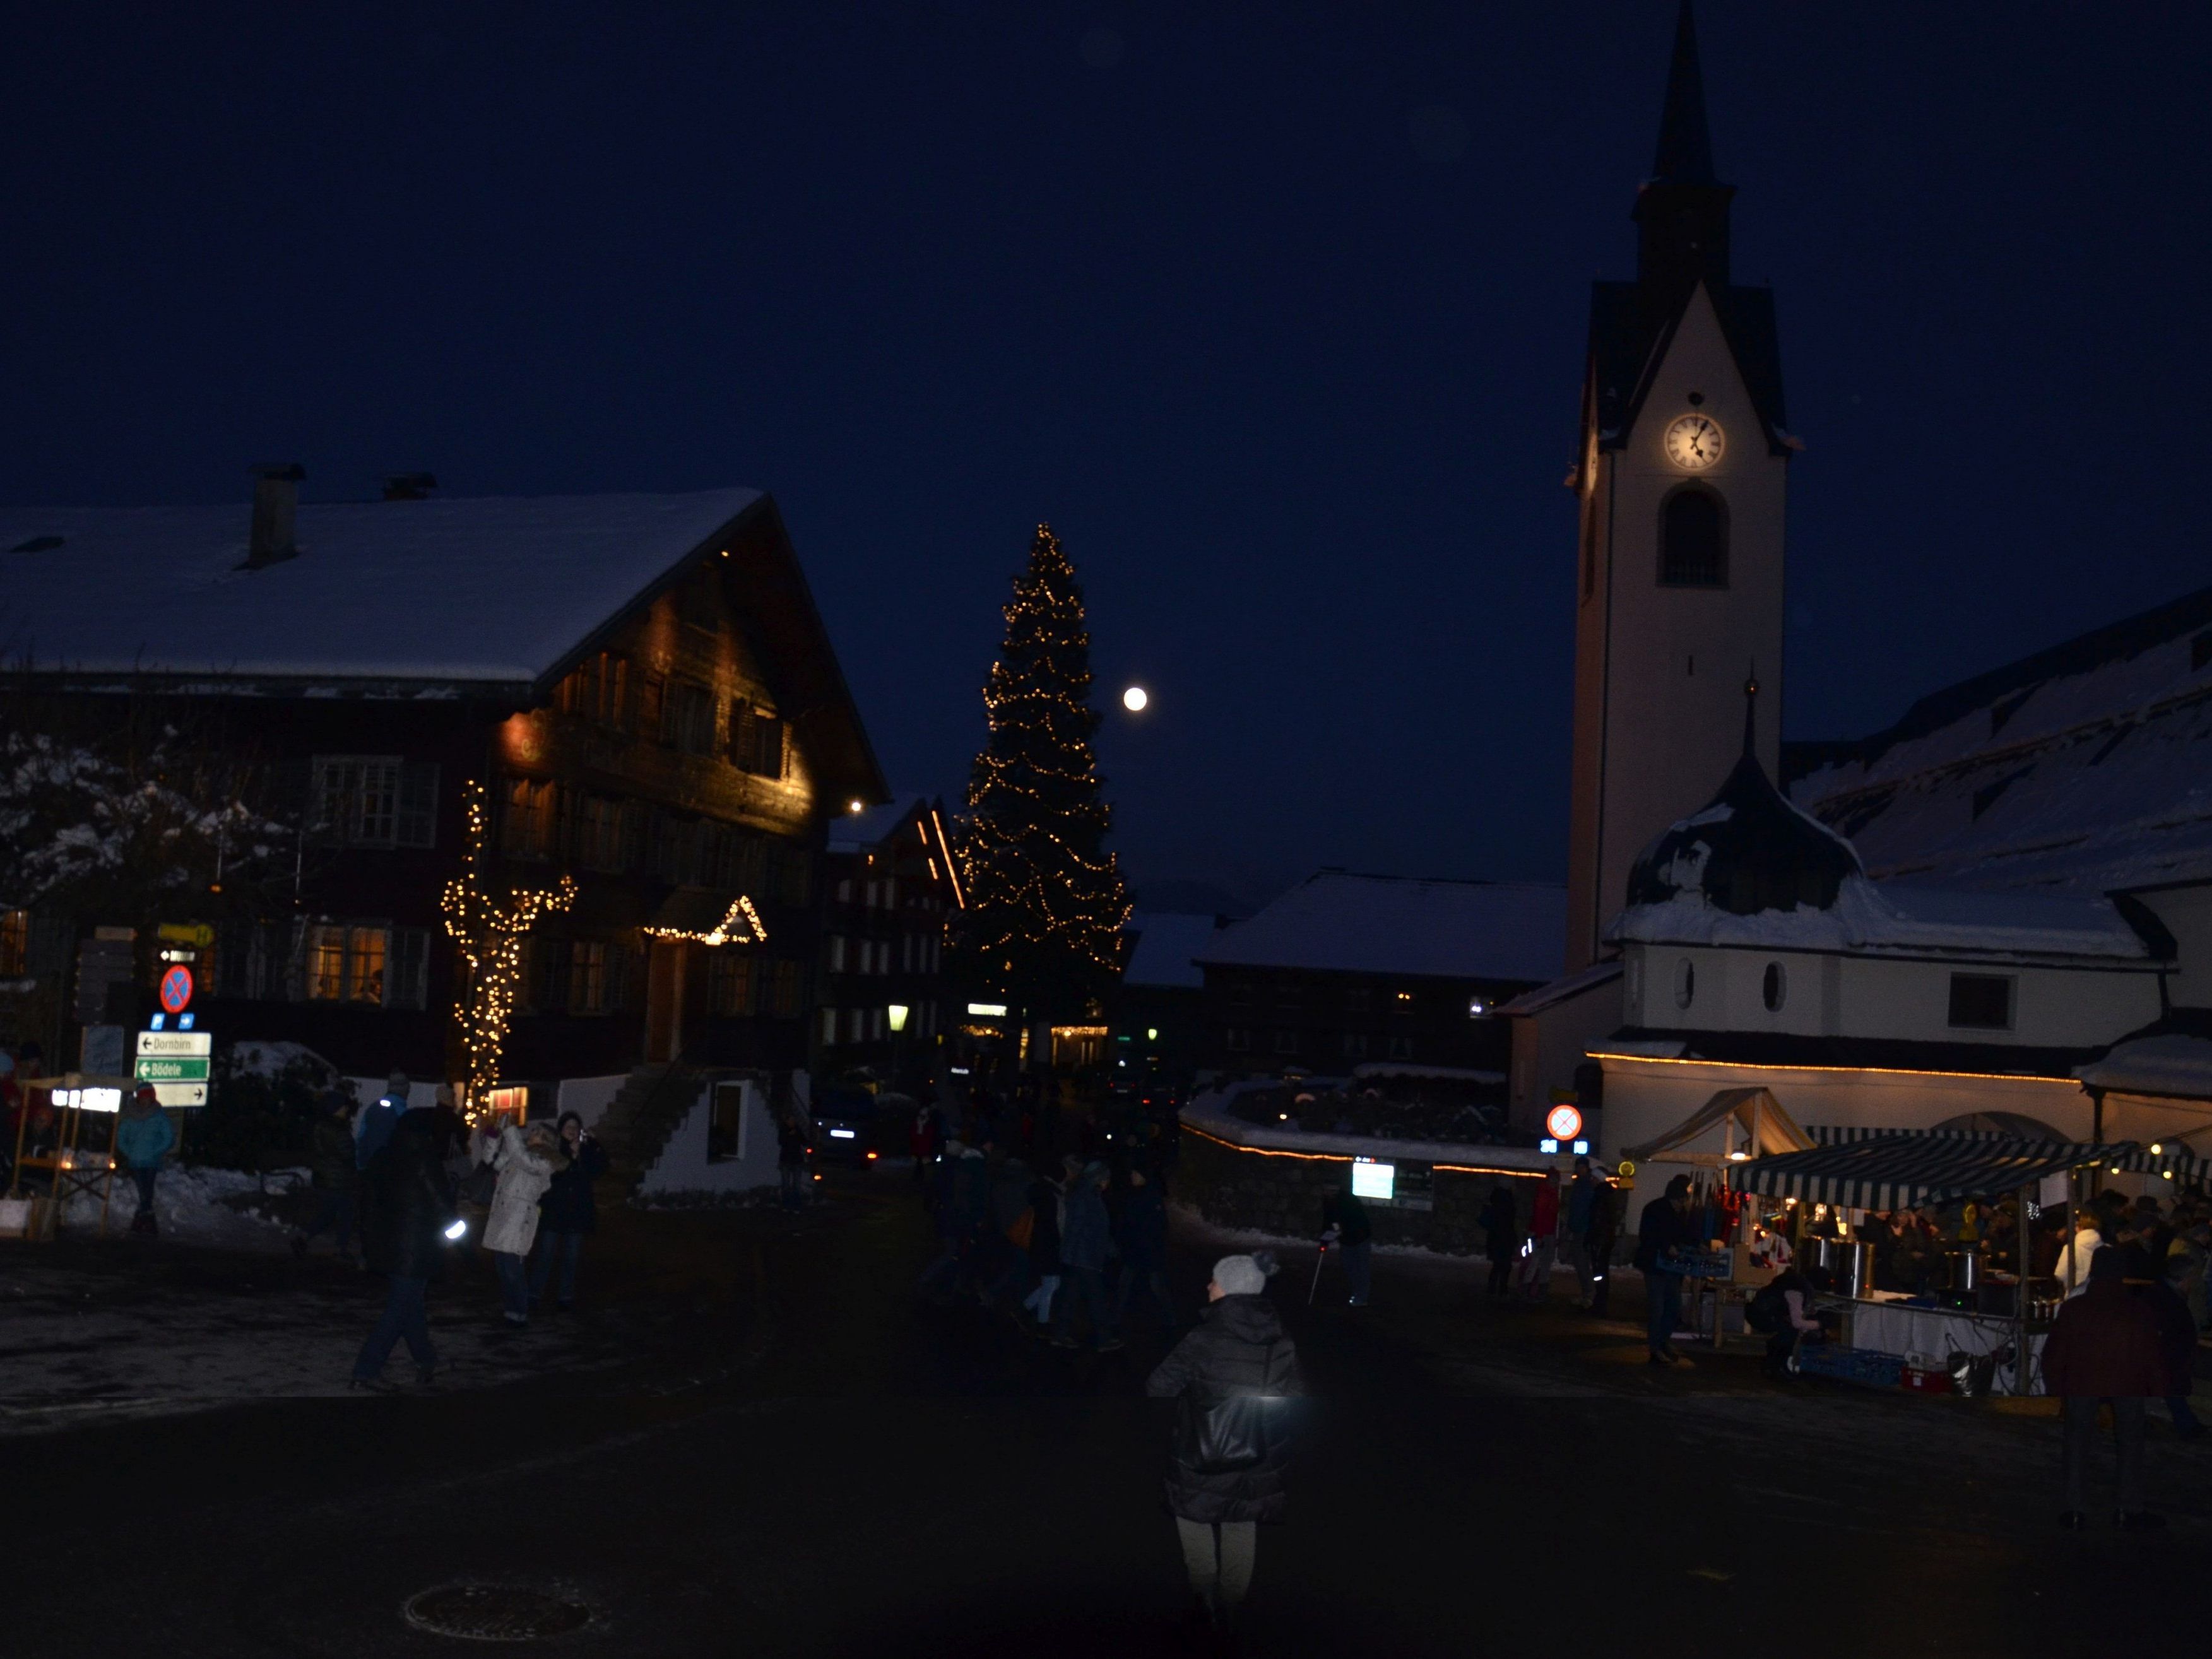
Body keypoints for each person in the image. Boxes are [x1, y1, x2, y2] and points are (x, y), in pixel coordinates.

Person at [1145, 1254, 1303, 1639]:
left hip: (1202, 1449)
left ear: (1228, 1289)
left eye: (1213, 1281)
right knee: (1240, 1523)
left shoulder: (1203, 1338)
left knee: (1195, 1516)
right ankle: (1231, 1604)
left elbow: (1158, 1386)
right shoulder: (1279, 1338)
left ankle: (1204, 1597)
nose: (1208, 1287)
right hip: (1255, 1454)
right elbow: (1293, 1397)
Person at [2042, 1246, 2168, 1529]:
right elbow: (2151, 1352)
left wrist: (2054, 1383)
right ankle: (2128, 1508)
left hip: (2082, 1380)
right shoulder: (2136, 1309)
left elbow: (2057, 1350)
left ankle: (2075, 1509)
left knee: (2077, 1442)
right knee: (2131, 1443)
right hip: (2128, 1381)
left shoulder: (2076, 1308)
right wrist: (2157, 1385)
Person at [351, 1099, 457, 1390]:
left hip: (388, 1246)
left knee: (411, 1306)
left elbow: (368, 1205)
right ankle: (366, 1369)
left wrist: (368, 1244)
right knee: (399, 1309)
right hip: (417, 1247)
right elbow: (441, 1203)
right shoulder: (424, 1157)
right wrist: (457, 1238)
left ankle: (426, 1360)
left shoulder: (383, 1157)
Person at [480, 1119, 562, 1326]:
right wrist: (493, 1137)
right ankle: (511, 1309)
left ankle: (520, 1311)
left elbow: (525, 1161)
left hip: (519, 1218)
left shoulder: (544, 1161)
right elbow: (494, 1162)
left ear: (546, 1140)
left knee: (512, 1268)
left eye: (537, 1132)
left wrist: (510, 1131)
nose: (531, 1133)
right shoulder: (521, 1154)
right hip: (503, 1214)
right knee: (502, 1266)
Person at [531, 1113, 608, 1312]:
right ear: (561, 1130)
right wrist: (571, 1157)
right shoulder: (554, 1149)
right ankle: (534, 1294)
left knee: (571, 1257)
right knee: (545, 1255)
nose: (572, 1130)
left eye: (576, 1127)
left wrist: (593, 1143)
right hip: (555, 1210)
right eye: (568, 1127)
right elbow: (556, 1175)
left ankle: (565, 1296)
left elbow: (601, 1168)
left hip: (577, 1211)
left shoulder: (587, 1149)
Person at [1054, 1158, 1120, 1351]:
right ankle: (1104, 1339)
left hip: (1081, 1256)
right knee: (1097, 1299)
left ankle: (1060, 1335)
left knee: (1071, 1297)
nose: (1108, 1183)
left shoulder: (1088, 1194)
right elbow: (1076, 1227)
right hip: (1085, 1257)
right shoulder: (1087, 1196)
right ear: (1099, 1179)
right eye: (1107, 1179)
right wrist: (1069, 1254)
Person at [1634, 1174, 1697, 1367]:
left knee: (1673, 1307)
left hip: (1671, 1267)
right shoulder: (1655, 1210)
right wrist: (1666, 1247)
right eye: (1682, 1200)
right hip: (1655, 1266)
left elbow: (1684, 1235)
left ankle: (1663, 1342)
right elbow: (1648, 1236)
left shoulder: (1676, 1213)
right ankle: (1656, 1348)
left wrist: (1697, 1245)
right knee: (1658, 1308)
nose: (1684, 1204)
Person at [293, 1091, 360, 1258]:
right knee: (346, 1213)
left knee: (329, 1212)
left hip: (324, 1176)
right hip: (339, 1179)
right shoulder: (338, 1129)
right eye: (343, 1106)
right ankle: (341, 1248)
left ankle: (304, 1237)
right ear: (335, 1109)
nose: (346, 1109)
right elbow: (348, 1153)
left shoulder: (320, 1126)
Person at [1114, 1166, 1176, 1330]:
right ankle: (1114, 1319)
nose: (1132, 1176)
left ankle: (1169, 1320)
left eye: (1136, 1173)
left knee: (1156, 1286)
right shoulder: (1136, 1195)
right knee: (1125, 1285)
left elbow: (1157, 1226)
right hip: (1137, 1249)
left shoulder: (1150, 1196)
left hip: (1148, 1250)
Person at [115, 1085, 175, 1236]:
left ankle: (142, 1222)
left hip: (151, 1162)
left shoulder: (159, 1116)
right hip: (136, 1160)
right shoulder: (131, 1116)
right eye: (142, 1097)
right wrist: (130, 1152)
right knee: (145, 1191)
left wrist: (156, 1151)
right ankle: (146, 1223)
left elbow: (169, 1137)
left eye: (147, 1097)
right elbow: (121, 1138)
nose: (144, 1100)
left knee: (146, 1191)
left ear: (152, 1098)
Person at [1020, 1164, 1064, 1330]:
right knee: (1050, 1283)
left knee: (1052, 1283)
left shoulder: (1041, 1191)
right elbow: (1053, 1224)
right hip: (1048, 1244)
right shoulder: (1051, 1195)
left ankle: (1027, 1308)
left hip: (1042, 1243)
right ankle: (1042, 1321)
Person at [1319, 1182, 1373, 1308]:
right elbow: (1328, 1221)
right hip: (1346, 1240)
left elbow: (1356, 1222)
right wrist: (1324, 1241)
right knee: (1349, 1267)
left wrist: (1342, 1231)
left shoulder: (1349, 1201)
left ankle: (1362, 1297)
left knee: (1362, 1267)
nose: (1324, 1193)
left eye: (1326, 1191)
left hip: (1361, 1238)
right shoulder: (1328, 1202)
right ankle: (1356, 1292)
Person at [1563, 1157, 1604, 1306]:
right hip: (1580, 1228)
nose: (1580, 1170)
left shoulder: (1586, 1186)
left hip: (1583, 1229)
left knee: (1582, 1263)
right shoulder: (1581, 1185)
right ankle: (1588, 1293)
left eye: (1582, 1167)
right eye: (1578, 1167)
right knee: (1581, 1263)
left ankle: (1589, 1294)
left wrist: (1574, 1225)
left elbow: (1581, 1210)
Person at [1518, 1170, 1561, 1301]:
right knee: (1536, 1261)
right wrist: (1540, 1236)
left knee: (1543, 1262)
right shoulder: (1546, 1195)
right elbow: (1540, 1217)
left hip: (1545, 1233)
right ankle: (1529, 1289)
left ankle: (1535, 1289)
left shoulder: (1550, 1194)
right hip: (1540, 1233)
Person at [355, 1071, 408, 1172]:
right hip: (389, 1171)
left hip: (367, 1168)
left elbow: (362, 1137)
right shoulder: (401, 1113)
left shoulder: (373, 1108)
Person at [1479, 1184, 1522, 1298]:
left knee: (1498, 1265)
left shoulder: (1496, 1204)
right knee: (1505, 1266)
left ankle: (1493, 1289)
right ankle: (1502, 1289)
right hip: (1505, 1238)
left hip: (1496, 1238)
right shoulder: (1508, 1206)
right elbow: (1510, 1225)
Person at [2055, 1207, 2103, 1299]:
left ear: (2078, 1227)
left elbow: (2060, 1274)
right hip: (2100, 1297)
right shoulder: (2107, 1249)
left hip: (2075, 1296)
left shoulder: (2071, 1249)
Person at [776, 1112, 810, 1209]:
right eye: (790, 1120)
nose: (792, 1122)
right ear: (787, 1121)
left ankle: (796, 1206)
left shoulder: (798, 1130)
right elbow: (781, 1142)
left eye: (793, 1120)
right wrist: (788, 1135)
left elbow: (805, 1142)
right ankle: (786, 1205)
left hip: (797, 1161)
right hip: (786, 1160)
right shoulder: (783, 1130)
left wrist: (798, 1135)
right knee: (786, 1184)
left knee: (797, 1185)